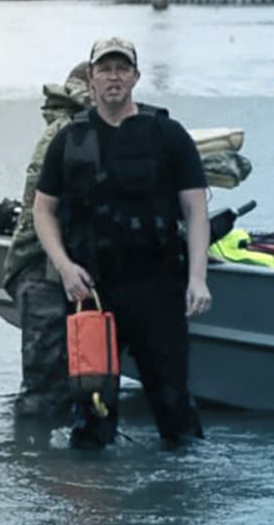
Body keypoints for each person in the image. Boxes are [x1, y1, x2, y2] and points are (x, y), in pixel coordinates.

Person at [32, 37, 211, 450]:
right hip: (91, 293)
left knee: (176, 414)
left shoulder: (168, 134)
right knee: (92, 413)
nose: (114, 76)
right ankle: (93, 500)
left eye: (122, 68)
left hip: (158, 287)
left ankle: (180, 502)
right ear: (91, 79)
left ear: (135, 76)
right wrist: (63, 267)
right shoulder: (69, 139)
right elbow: (44, 211)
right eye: (105, 69)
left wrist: (197, 279)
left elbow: (196, 210)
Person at [2, 61, 91, 419]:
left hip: (63, 272)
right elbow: (38, 211)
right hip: (43, 274)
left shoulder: (79, 131)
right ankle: (35, 458)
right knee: (44, 391)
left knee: (75, 380)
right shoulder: (64, 134)